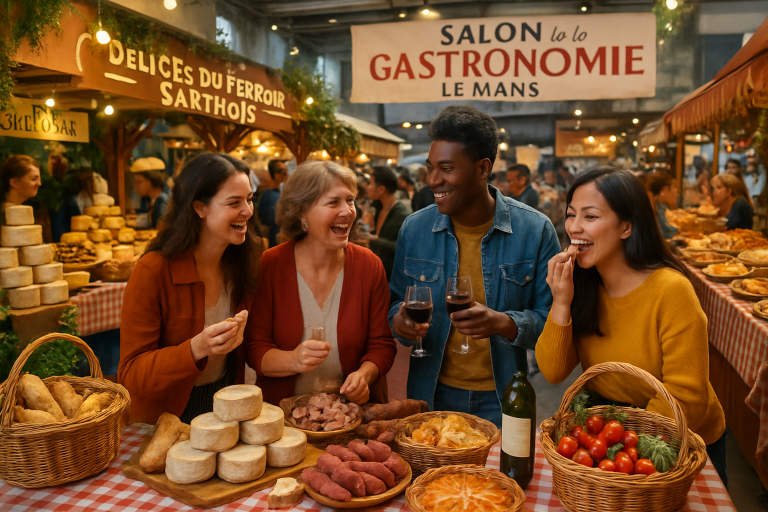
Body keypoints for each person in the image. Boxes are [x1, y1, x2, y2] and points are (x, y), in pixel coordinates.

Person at [535, 167, 727, 484]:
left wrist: (623, 445)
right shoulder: (582, 284)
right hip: (610, 430)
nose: (574, 227)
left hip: (678, 437)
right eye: (571, 215)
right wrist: (561, 300)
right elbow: (553, 371)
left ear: (626, 226)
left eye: (590, 216)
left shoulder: (672, 290)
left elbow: (687, 396)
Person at [389, 106, 560, 427]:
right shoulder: (414, 229)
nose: (433, 180)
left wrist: (504, 323)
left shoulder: (534, 230)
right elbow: (396, 302)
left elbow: (553, 323)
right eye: (430, 168)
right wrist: (400, 323)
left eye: (446, 168)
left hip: (504, 396)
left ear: (483, 168)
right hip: (430, 393)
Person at [118, 153, 261, 424]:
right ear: (200, 208)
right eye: (234, 203)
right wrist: (196, 348)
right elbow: (131, 375)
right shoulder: (153, 270)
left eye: (249, 199)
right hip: (166, 418)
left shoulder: (243, 262)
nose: (248, 211)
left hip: (228, 402)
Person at [246, 160, 396, 406]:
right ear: (301, 212)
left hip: (350, 413)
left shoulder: (369, 265)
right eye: (333, 202)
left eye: (350, 200)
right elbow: (254, 348)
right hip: (283, 416)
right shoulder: (271, 264)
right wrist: (293, 360)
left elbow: (381, 344)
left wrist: (364, 376)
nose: (347, 211)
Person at [364, 166, 409, 281]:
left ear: (381, 189)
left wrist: (375, 240)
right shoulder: (379, 207)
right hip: (378, 272)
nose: (367, 187)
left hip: (393, 278)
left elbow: (404, 247)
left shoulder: (400, 214)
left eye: (370, 183)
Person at [258, 159, 288, 247]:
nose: (286, 174)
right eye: (283, 172)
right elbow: (274, 221)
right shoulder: (271, 196)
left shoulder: (275, 193)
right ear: (276, 175)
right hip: (274, 239)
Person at [647, 172, 679, 239]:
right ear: (664, 190)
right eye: (673, 189)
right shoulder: (656, 207)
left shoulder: (659, 206)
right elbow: (666, 235)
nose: (676, 195)